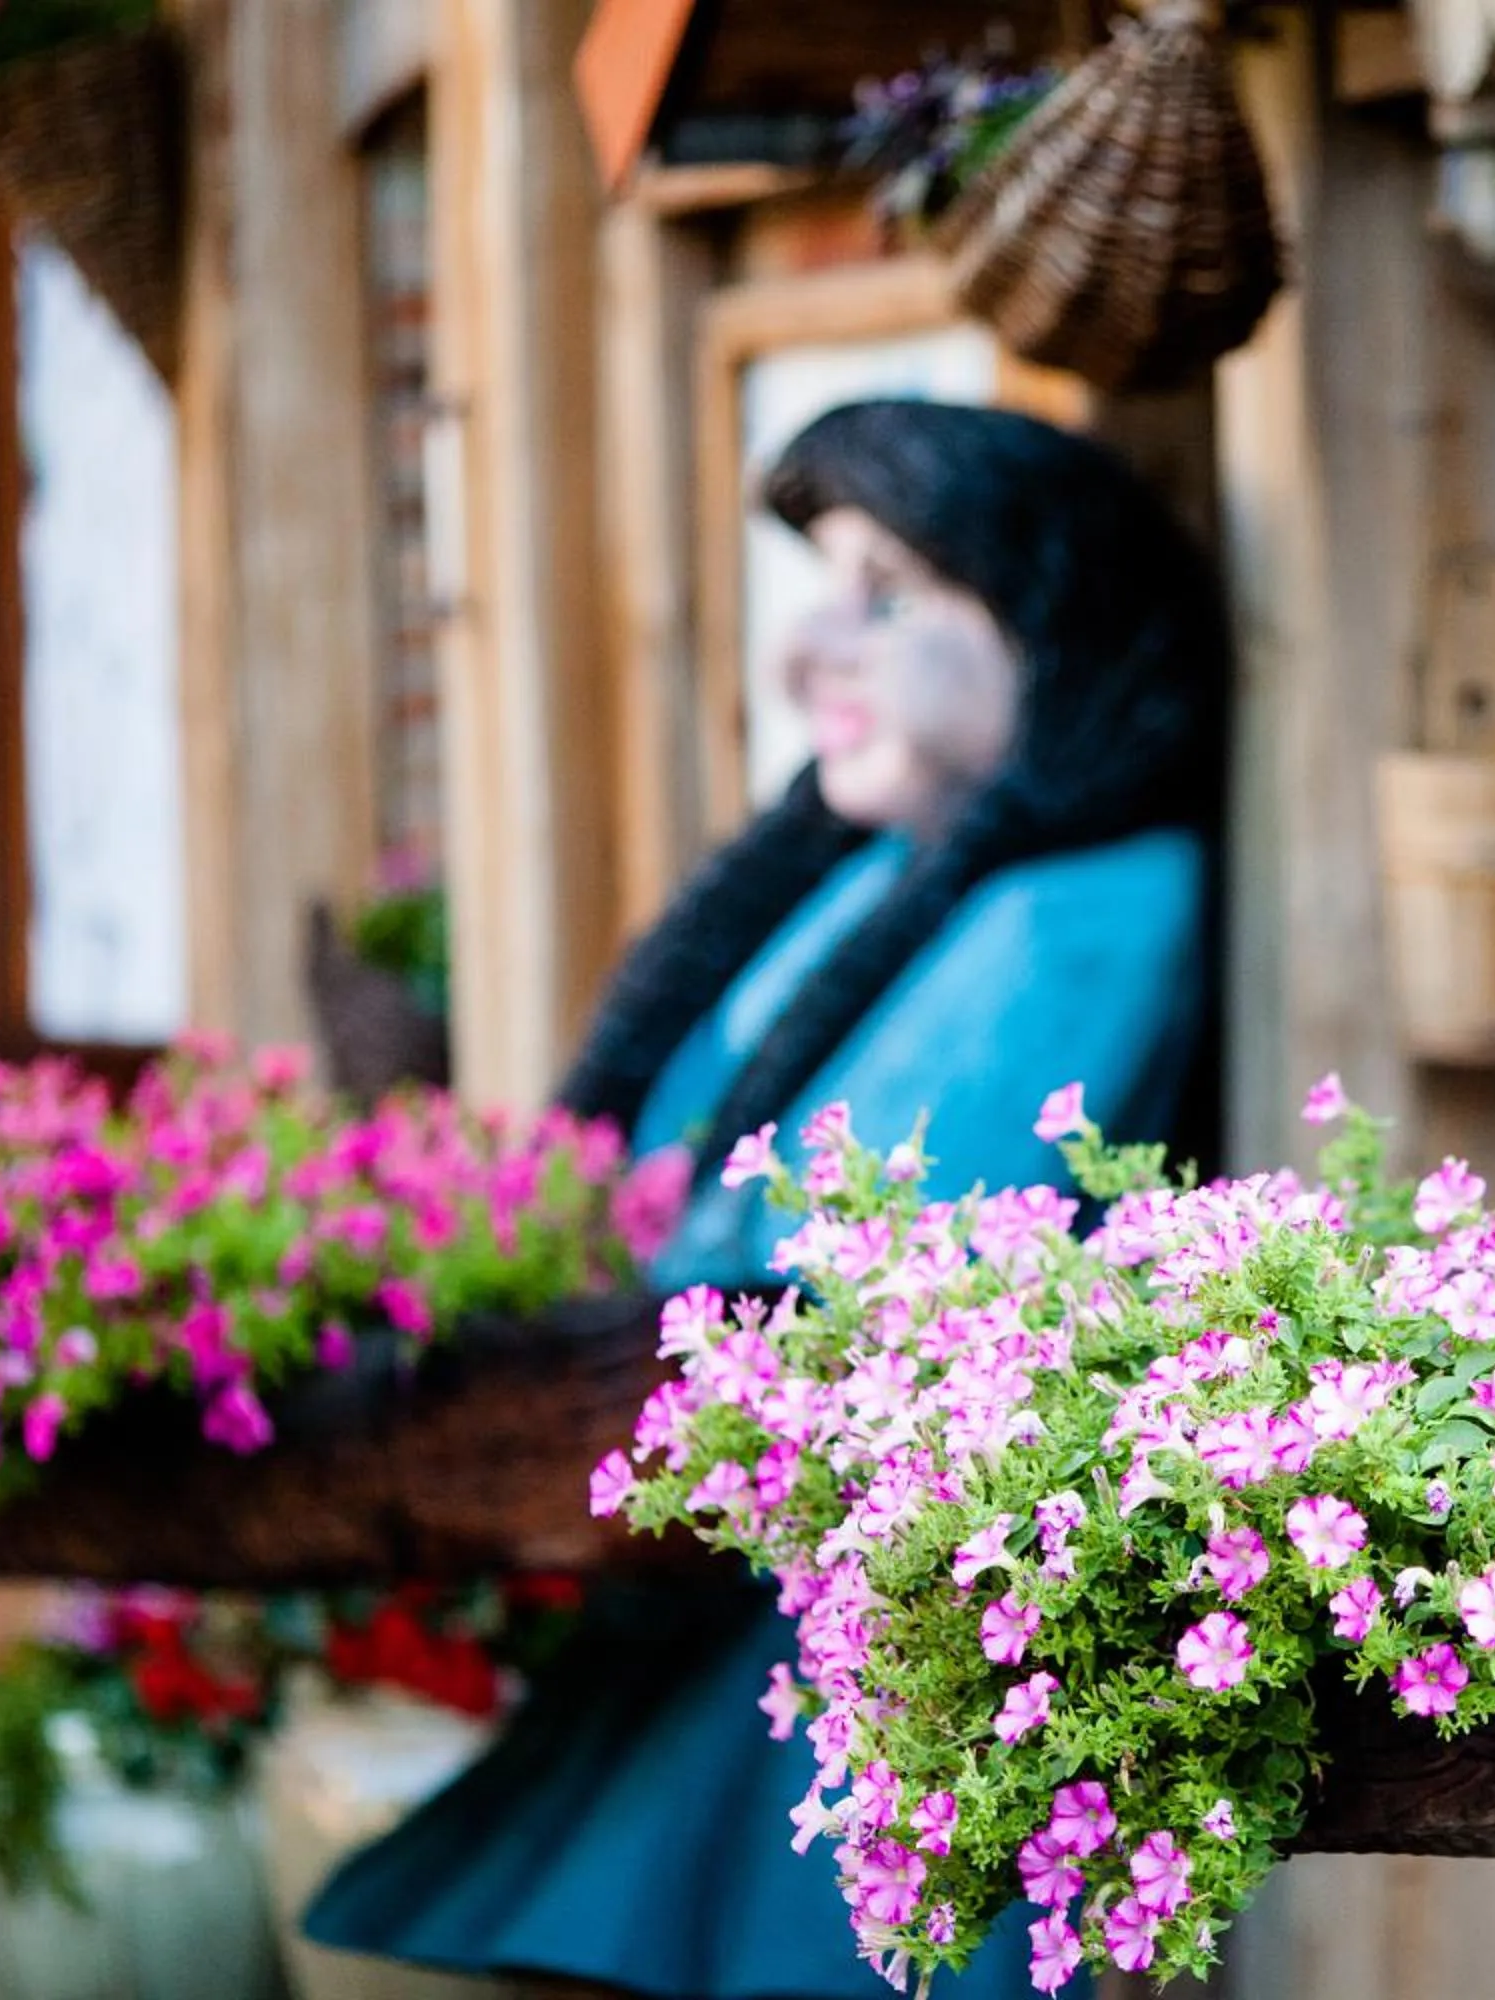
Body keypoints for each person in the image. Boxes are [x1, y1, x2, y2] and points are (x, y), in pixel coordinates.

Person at [302, 399, 1228, 1997]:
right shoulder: (880, 882)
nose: (816, 647)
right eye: (825, 585)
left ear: (1049, 625)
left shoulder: (1094, 907)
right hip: (716, 1585)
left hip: (859, 1644)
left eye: (890, 593)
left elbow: (906, 1251)